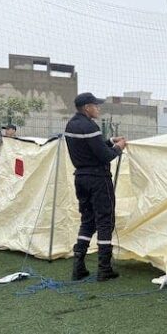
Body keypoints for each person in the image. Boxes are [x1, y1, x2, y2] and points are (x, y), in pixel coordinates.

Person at [64, 93, 126, 281]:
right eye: (96, 105)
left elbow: (91, 147)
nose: (98, 108)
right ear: (87, 108)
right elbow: (105, 156)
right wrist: (119, 147)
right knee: (105, 221)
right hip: (98, 179)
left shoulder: (71, 125)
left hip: (81, 178)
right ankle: (104, 269)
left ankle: (78, 267)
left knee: (87, 220)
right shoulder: (90, 126)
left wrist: (110, 141)